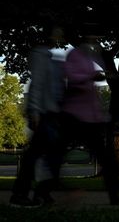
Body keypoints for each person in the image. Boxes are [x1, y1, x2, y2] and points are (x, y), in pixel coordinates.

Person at [60, 24, 119, 205]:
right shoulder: (75, 55)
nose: (96, 41)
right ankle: (45, 190)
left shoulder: (88, 56)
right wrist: (94, 77)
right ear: (86, 38)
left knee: (105, 159)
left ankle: (116, 193)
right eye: (93, 38)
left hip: (90, 118)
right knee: (57, 154)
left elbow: (91, 87)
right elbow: (74, 78)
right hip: (75, 115)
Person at [10, 26, 65, 207]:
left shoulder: (50, 57)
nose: (59, 36)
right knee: (37, 156)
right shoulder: (41, 56)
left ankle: (40, 193)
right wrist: (34, 110)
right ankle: (26, 194)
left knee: (46, 155)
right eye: (56, 32)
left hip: (51, 113)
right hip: (43, 114)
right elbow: (37, 84)